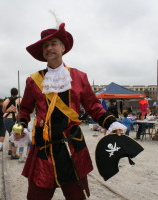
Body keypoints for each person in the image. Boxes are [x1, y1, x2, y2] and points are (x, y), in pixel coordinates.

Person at [17, 22, 126, 199]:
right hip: (44, 149)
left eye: (53, 43)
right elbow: (25, 109)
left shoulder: (78, 77)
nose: (48, 48)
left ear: (62, 47)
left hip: (72, 148)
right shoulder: (33, 80)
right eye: (45, 45)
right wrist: (21, 127)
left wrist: (112, 123)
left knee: (77, 197)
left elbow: (93, 107)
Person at [2, 88, 22, 159]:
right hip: (14, 118)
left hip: (6, 119)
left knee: (10, 133)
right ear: (17, 93)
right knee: (15, 135)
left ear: (10, 93)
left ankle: (10, 149)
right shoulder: (19, 100)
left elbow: (3, 110)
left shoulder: (6, 100)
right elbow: (22, 109)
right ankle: (14, 154)